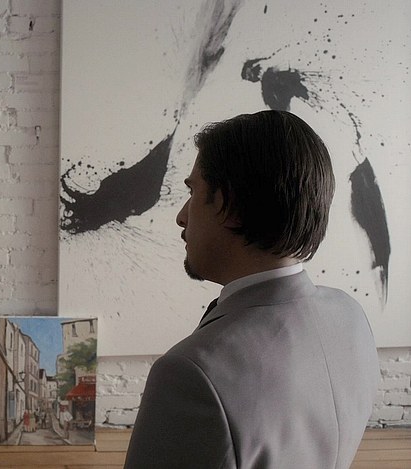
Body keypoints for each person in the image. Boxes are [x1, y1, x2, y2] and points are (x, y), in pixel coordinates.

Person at [124, 110, 379, 468]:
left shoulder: (190, 374)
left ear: (229, 205)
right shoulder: (351, 316)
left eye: (193, 192)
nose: (182, 216)